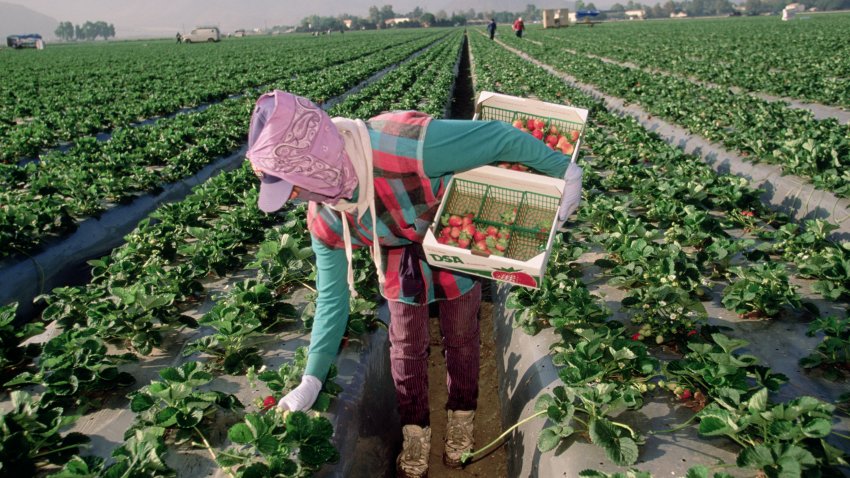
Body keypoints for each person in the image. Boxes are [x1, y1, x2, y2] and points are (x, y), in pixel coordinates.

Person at [246, 91, 569, 478]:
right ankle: (415, 432)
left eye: (292, 185)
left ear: (313, 161)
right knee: (405, 346)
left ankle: (461, 420)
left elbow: (500, 137)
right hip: (397, 255)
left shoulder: (402, 144)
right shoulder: (327, 219)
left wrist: (564, 170)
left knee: (462, 335)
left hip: (452, 234)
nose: (295, 197)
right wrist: (311, 379)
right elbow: (332, 298)